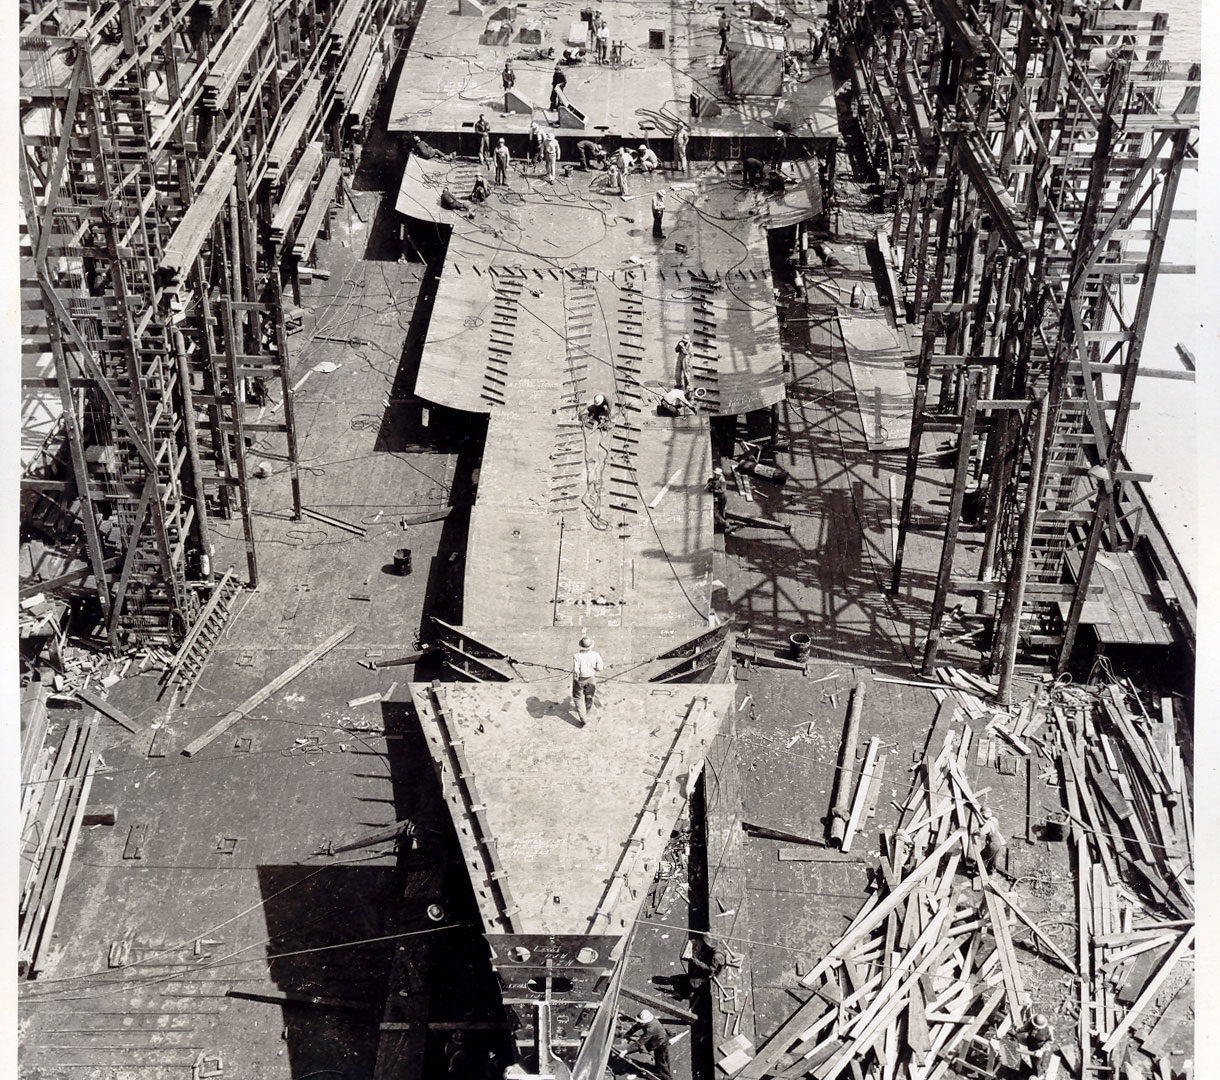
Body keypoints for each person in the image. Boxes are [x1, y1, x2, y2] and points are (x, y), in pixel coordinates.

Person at [625, 1011, 672, 1080]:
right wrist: (629, 1033)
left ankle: (667, 1078)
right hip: (657, 1039)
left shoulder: (651, 1029)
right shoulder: (648, 1021)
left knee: (662, 1061)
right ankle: (659, 1069)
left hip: (661, 1043)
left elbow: (640, 1042)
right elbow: (637, 1026)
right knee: (660, 1058)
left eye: (641, 1022)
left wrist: (626, 1050)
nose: (639, 1023)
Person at [571, 636, 604, 725]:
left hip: (580, 679)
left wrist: (576, 679)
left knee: (578, 698)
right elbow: (600, 668)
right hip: (591, 679)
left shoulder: (576, 656)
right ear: (591, 646)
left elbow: (576, 670)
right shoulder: (595, 654)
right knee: (589, 696)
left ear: (581, 645)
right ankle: (587, 710)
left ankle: (583, 717)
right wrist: (595, 668)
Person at [970, 806, 1007, 875]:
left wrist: (975, 832)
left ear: (983, 814)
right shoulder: (994, 819)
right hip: (999, 843)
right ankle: (991, 870)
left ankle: (977, 872)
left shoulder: (988, 824)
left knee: (982, 857)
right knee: (993, 858)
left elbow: (981, 833)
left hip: (993, 844)